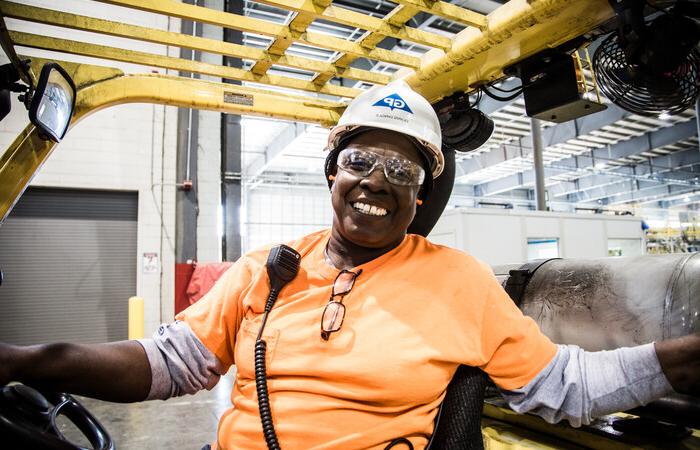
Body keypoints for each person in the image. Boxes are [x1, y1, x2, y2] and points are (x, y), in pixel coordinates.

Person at [1, 80, 698, 450]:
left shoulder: (458, 281)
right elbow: (168, 364)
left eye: (401, 167)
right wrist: (28, 358)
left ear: (421, 192)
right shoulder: (266, 269)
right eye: (360, 160)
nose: (376, 181)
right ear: (332, 173)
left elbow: (567, 385)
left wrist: (678, 358)